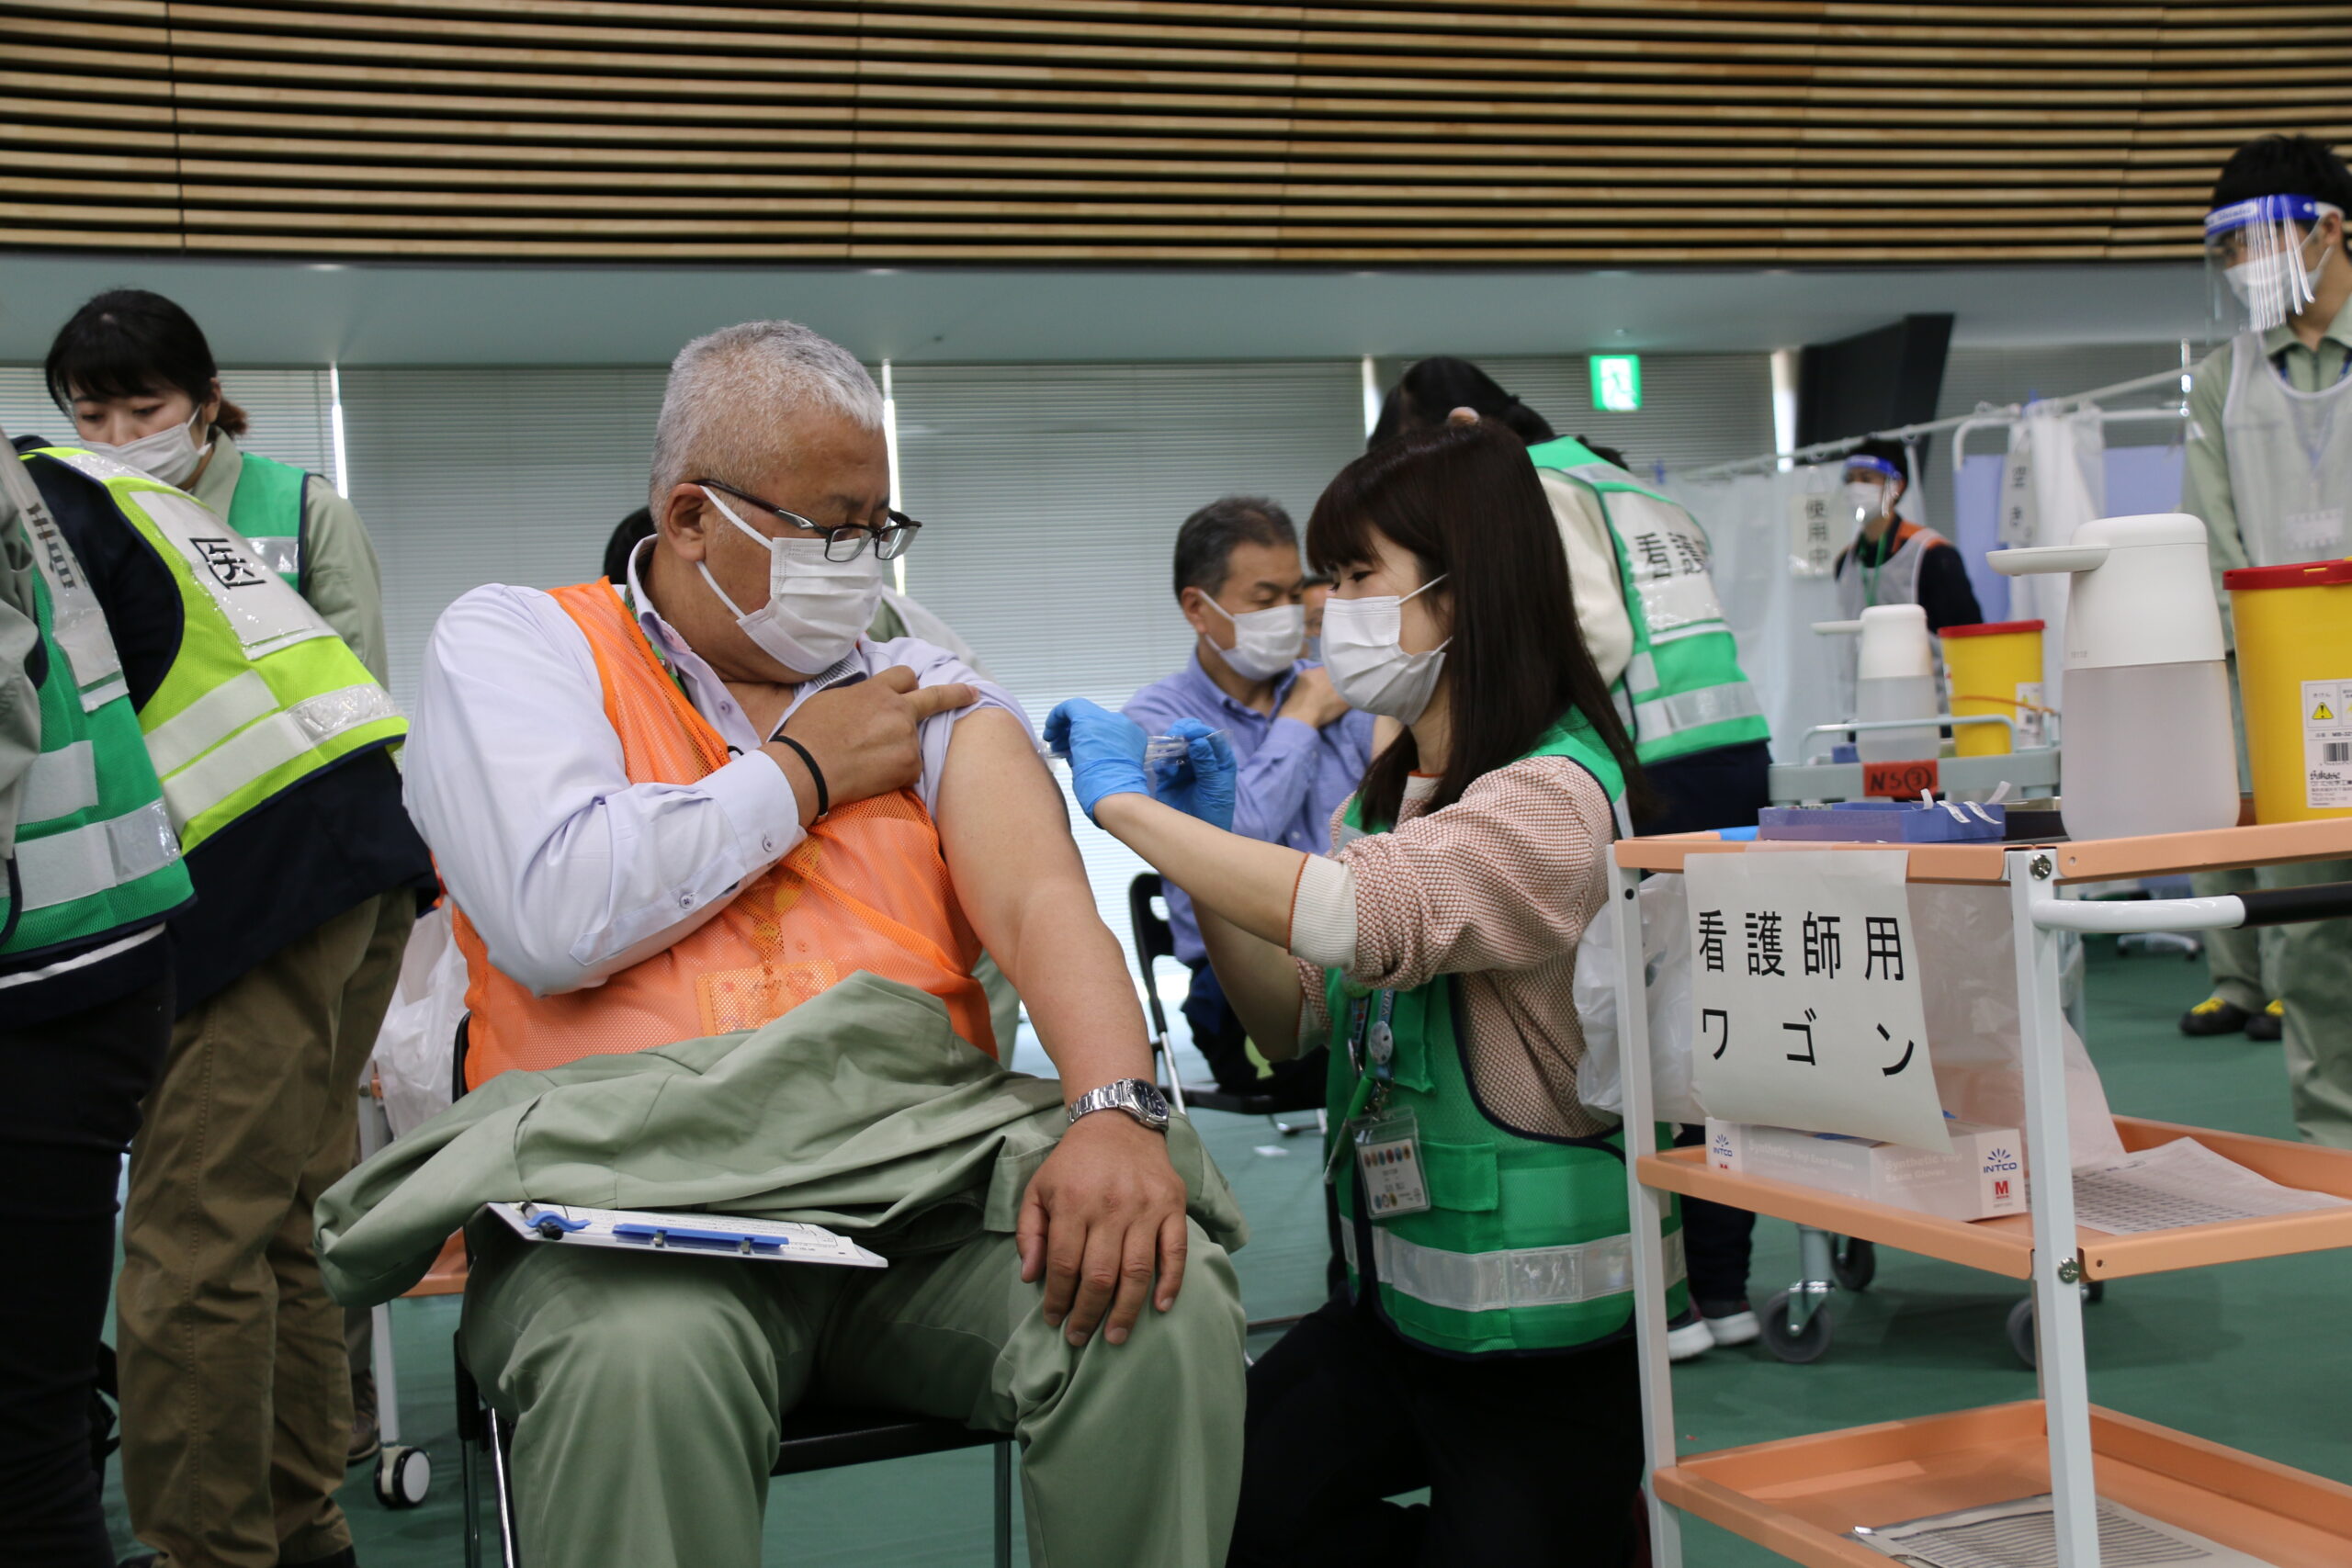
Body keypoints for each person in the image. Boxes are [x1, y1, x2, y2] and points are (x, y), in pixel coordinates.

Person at [398, 321, 1244, 1568]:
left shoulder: (923, 683)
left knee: (1151, 1305)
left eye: (878, 527)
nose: (861, 561)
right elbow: (553, 912)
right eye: (831, 525)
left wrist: (1115, 1111)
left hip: (916, 1200)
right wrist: (802, 772)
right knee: (639, 1368)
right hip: (631, 1214)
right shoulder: (520, 643)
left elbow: (1039, 901)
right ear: (690, 517)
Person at [1047, 414, 1687, 1568]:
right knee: (1222, 1502)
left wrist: (1123, 810)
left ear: (1466, 591)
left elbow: (1361, 914)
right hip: (1392, 1316)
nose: (1323, 613)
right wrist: (1207, 859)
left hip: (1538, 1354)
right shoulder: (1398, 790)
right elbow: (1287, 1011)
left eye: (1354, 578)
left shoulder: (1551, 796)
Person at [42, 300, 431, 1568]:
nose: (114, 434)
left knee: (186, 1237)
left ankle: (213, 1549)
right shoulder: (105, 505)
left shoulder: (275, 501)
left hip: (269, 877)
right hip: (339, 864)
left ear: (206, 396)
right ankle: (297, 1524)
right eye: (90, 413)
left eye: (139, 408)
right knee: (272, 1223)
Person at [1372, 358, 1766, 1357]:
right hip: (1732, 759)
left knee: (1632, 1036)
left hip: (1650, 774)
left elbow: (1575, 629)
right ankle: (1721, 1288)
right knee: (1711, 1039)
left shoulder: (1535, 485)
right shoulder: (1622, 479)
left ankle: (1673, 1290)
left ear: (1464, 427)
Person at [0, 435, 194, 1568]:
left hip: (48, 988)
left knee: (25, 1445)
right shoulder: (47, 481)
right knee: (35, 1425)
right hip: (96, 958)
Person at [2177, 134, 2352, 1131]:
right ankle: (2336, 1138)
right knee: (2312, 933)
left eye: (2258, 241)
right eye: (2227, 249)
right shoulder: (2221, 381)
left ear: (2328, 230)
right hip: (2288, 702)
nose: (2244, 267)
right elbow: (2215, 543)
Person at [1124, 497, 1374, 1100]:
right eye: (1265, 600)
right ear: (1197, 608)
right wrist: (1301, 719)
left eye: (1294, 595)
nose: (1287, 614)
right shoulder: (1158, 721)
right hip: (1235, 981)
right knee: (1355, 1042)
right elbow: (1235, 843)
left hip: (1354, 948)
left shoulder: (1342, 688)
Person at [1831, 436, 1984, 632]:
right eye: (1849, 480)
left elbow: (1968, 633)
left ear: (1897, 485)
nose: (1855, 488)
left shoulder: (1933, 554)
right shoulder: (1846, 563)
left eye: (1867, 478)